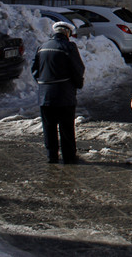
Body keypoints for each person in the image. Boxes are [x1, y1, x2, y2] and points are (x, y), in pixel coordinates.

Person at [31, 21, 86, 164]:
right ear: (67, 33)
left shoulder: (42, 47)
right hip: (64, 95)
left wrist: (43, 83)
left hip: (45, 95)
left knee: (48, 127)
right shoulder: (68, 47)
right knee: (66, 127)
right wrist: (77, 84)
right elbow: (77, 68)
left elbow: (35, 70)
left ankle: (52, 156)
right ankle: (68, 156)